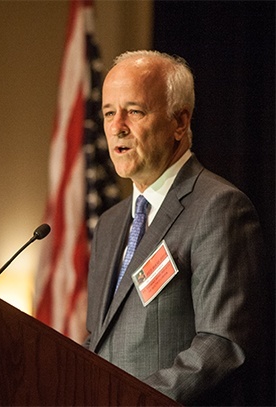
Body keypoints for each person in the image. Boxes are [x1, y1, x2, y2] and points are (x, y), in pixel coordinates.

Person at [83, 50, 265, 406]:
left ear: (179, 122)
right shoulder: (110, 223)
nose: (117, 126)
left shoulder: (219, 207)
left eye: (134, 111)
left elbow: (223, 343)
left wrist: (132, 400)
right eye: (108, 113)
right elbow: (98, 341)